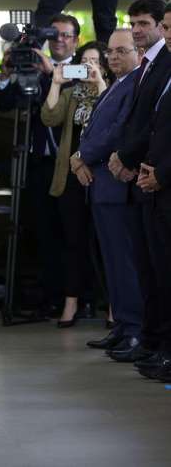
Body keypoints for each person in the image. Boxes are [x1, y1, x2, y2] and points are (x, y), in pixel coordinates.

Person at [0, 13, 80, 317]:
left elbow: (82, 85)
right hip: (36, 161)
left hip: (69, 163)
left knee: (70, 234)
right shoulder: (31, 66)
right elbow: (5, 103)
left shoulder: (82, 66)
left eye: (66, 35)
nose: (60, 40)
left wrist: (52, 71)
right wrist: (6, 74)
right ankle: (49, 297)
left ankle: (74, 298)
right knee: (42, 233)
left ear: (76, 40)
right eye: (54, 35)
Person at [107, 0, 171, 363]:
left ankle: (159, 344)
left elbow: (153, 126)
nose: (138, 29)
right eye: (134, 23)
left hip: (156, 175)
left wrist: (128, 158)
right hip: (147, 177)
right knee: (148, 267)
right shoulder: (148, 66)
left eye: (145, 23)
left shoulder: (164, 61)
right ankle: (152, 341)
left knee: (161, 269)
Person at [73, 29, 144, 350]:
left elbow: (119, 132)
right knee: (112, 262)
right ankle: (122, 324)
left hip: (118, 187)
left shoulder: (135, 85)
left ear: (139, 53)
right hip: (100, 186)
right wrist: (80, 158)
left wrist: (82, 156)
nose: (113, 57)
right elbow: (92, 129)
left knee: (125, 261)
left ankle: (135, 329)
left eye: (121, 51)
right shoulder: (116, 85)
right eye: (110, 52)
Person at [41, 41, 112, 327]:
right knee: (73, 242)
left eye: (95, 61)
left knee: (106, 243)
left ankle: (112, 306)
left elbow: (112, 119)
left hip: (103, 177)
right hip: (70, 177)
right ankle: (71, 302)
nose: (89, 67)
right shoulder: (71, 94)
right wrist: (56, 83)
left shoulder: (112, 91)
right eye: (85, 61)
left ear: (104, 66)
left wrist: (100, 84)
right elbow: (49, 116)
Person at [135, 4, 171, 381]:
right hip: (157, 182)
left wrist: (163, 172)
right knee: (159, 273)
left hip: (165, 181)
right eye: (167, 26)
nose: (168, 33)